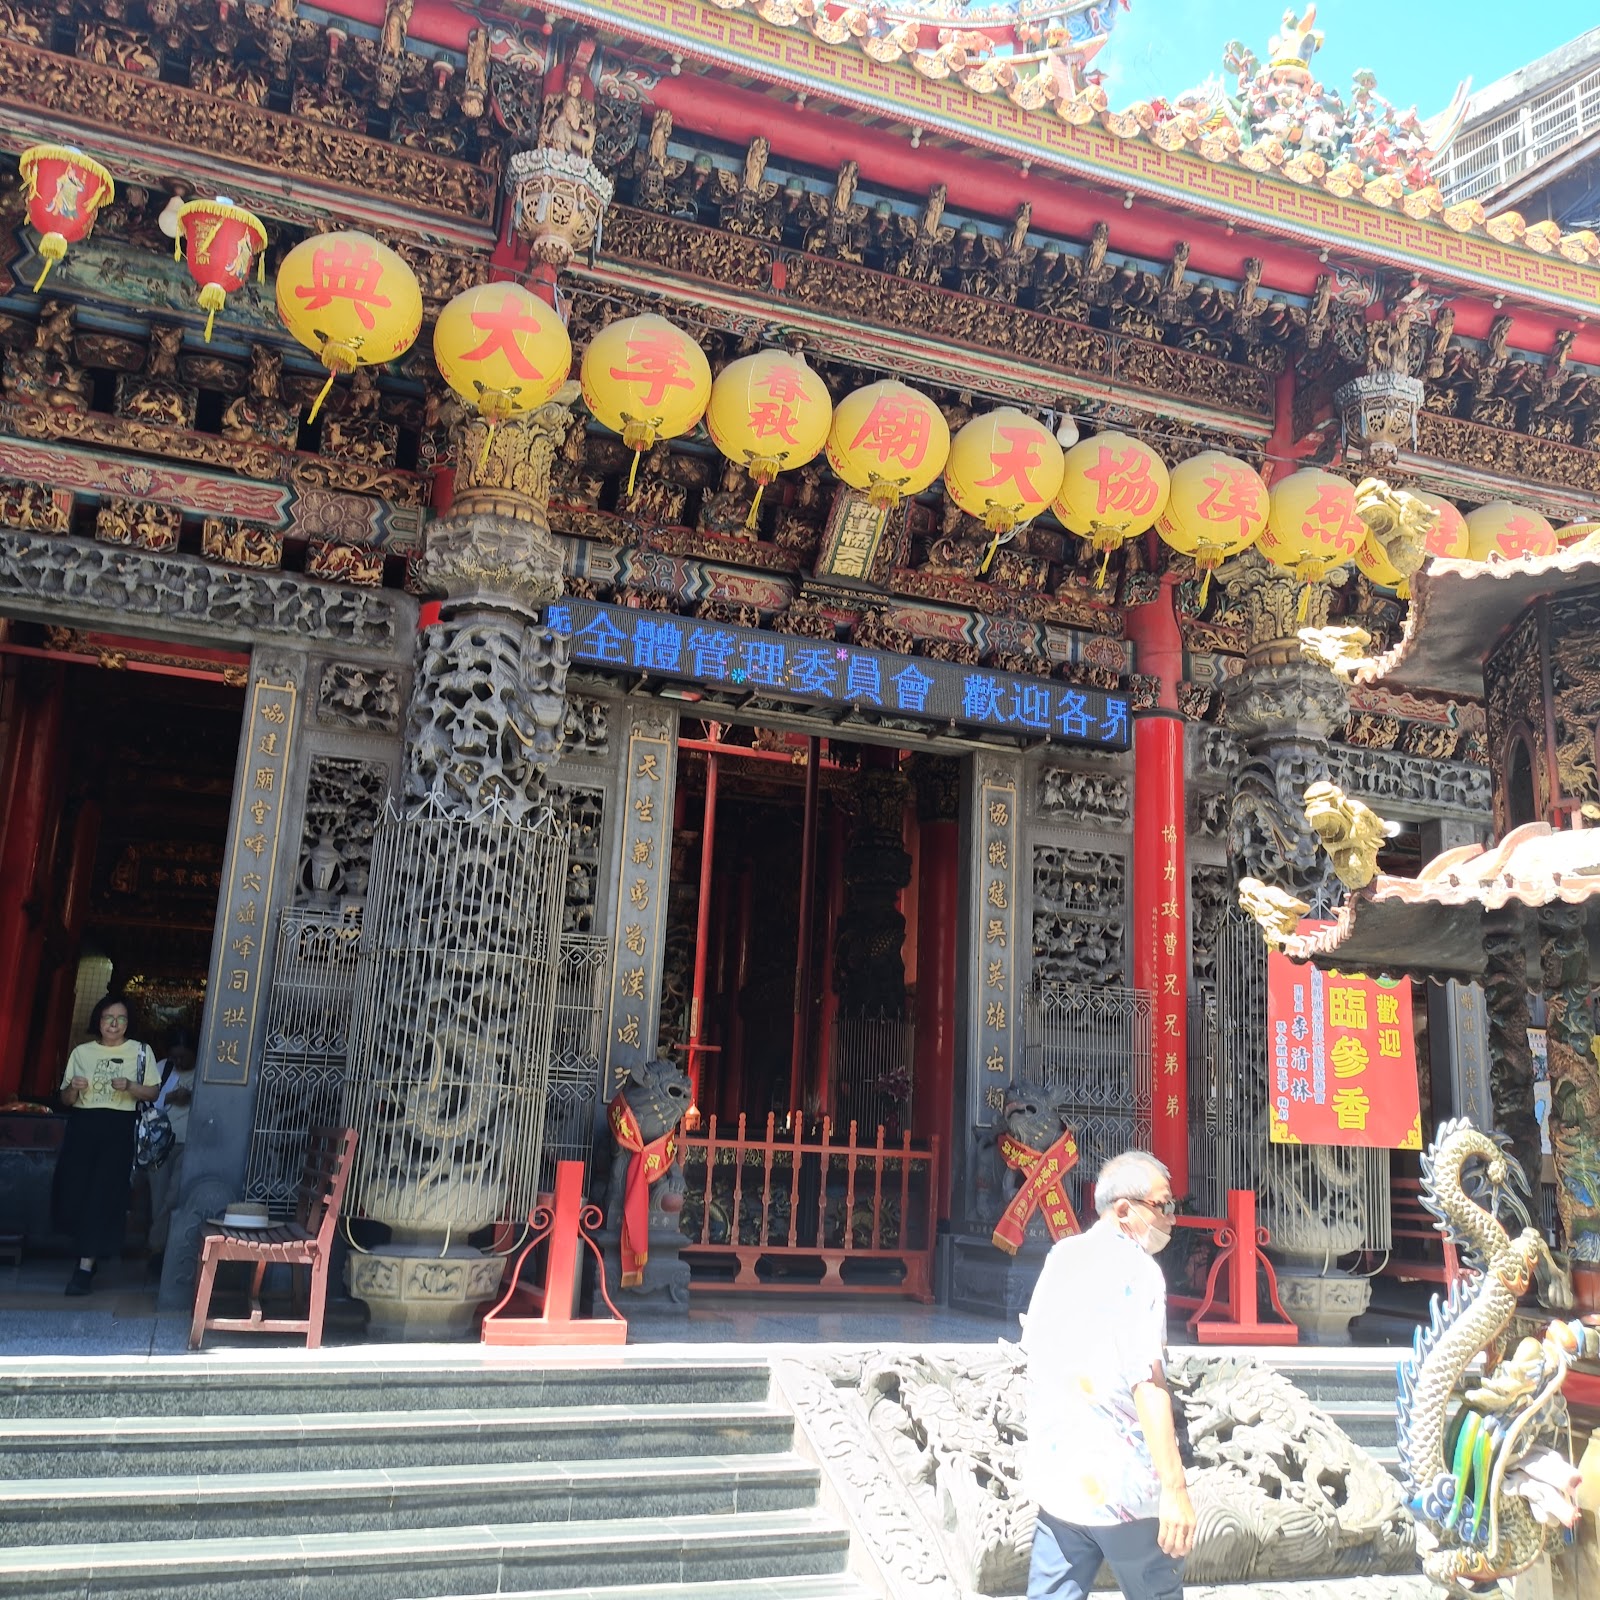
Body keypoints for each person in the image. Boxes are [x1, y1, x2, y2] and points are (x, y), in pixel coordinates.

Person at [1020, 1150, 1196, 1600]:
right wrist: (1174, 1487)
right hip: (1123, 1487)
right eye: (1162, 1205)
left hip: (1060, 1482)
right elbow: (1147, 1383)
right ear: (1123, 1210)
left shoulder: (1061, 1256)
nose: (1172, 1217)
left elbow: (1034, 1350)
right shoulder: (1139, 1270)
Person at [51, 994, 159, 1296]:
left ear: (128, 1023)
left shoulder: (140, 1051)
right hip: (83, 1127)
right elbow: (65, 1099)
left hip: (118, 1129)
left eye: (121, 1018)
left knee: (102, 1193)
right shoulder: (81, 1052)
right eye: (108, 1018)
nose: (114, 1024)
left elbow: (152, 1093)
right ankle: (86, 1252)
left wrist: (131, 1086)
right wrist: (73, 1089)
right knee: (76, 1191)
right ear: (98, 1021)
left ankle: (84, 1268)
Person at [145, 1025, 197, 1278]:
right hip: (158, 1142)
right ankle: (160, 1249)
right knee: (158, 1197)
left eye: (183, 1057)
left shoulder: (204, 1070)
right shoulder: (162, 1069)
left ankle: (158, 1248)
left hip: (188, 1142)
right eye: (174, 1056)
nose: (178, 1062)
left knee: (173, 1197)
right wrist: (169, 1098)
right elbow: (144, 1100)